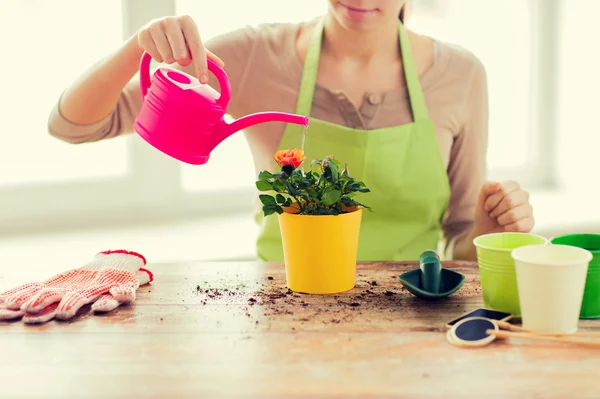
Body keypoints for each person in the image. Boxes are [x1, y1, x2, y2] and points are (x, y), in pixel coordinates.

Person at [47, 0, 535, 262]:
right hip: (282, 313)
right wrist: (140, 46)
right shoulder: (253, 57)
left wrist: (489, 233)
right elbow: (73, 126)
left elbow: (460, 243)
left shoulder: (462, 75)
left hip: (414, 323)